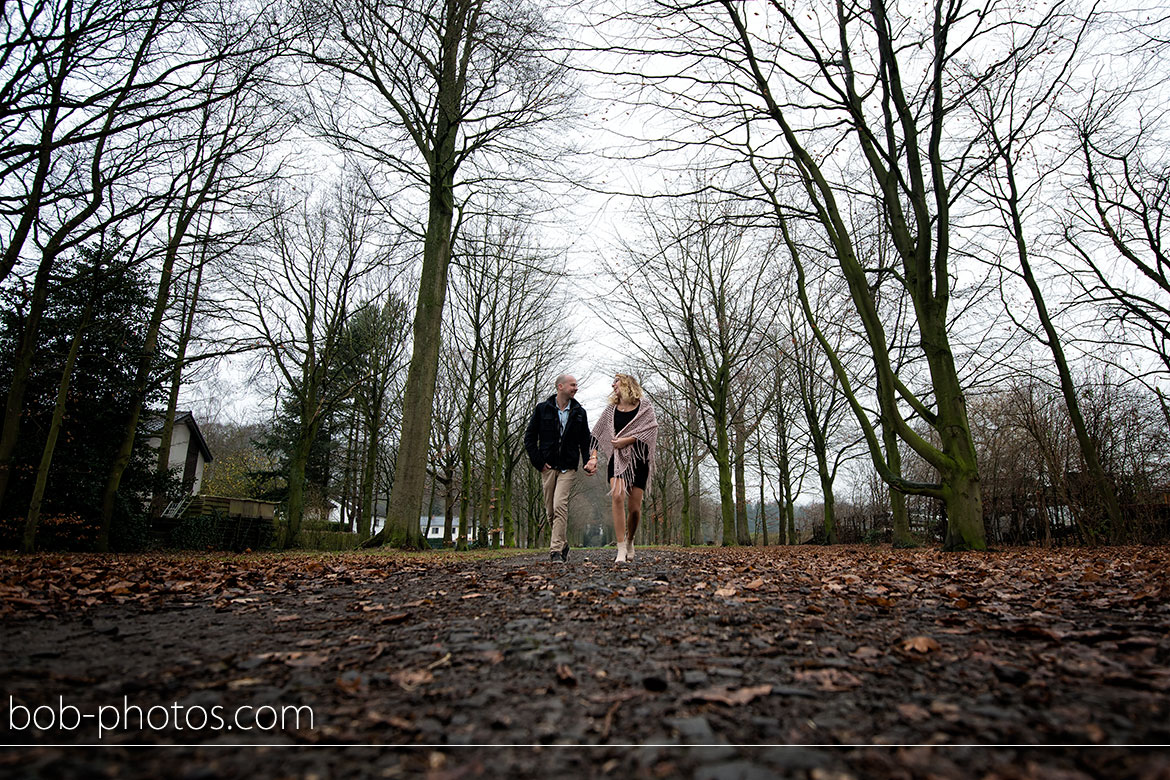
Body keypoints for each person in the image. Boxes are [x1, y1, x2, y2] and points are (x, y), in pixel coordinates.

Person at [524, 374, 595, 562]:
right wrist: (538, 462)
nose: (576, 388)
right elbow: (529, 438)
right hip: (547, 467)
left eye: (577, 385)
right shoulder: (542, 409)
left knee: (559, 506)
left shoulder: (580, 412)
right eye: (573, 385)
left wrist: (587, 461)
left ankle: (555, 551)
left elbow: (585, 441)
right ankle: (563, 543)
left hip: (568, 467)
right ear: (560, 386)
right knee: (550, 511)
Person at [590, 373, 658, 563]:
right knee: (617, 496)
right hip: (617, 460)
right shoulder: (610, 410)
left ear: (627, 384)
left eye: (616, 382)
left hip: (639, 460)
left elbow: (651, 429)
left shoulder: (645, 407)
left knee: (635, 509)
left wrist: (627, 440)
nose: (613, 386)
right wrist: (593, 457)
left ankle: (630, 539)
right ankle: (620, 549)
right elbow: (595, 434)